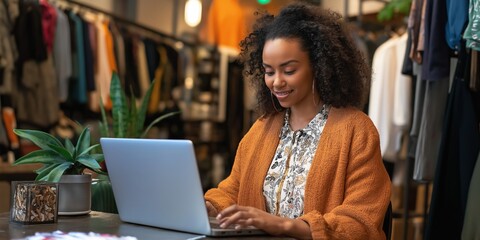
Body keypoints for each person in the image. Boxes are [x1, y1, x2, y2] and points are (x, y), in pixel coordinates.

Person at [204, 2, 391, 239]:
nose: (276, 82)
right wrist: (210, 206)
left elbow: (360, 219)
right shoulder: (261, 129)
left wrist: (286, 226)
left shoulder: (356, 130)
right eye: (269, 72)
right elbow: (232, 189)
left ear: (318, 66)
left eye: (289, 70)